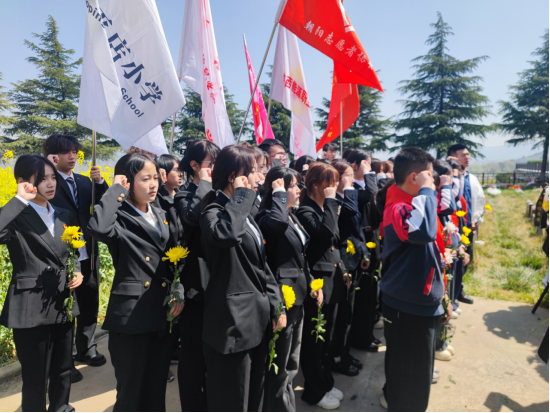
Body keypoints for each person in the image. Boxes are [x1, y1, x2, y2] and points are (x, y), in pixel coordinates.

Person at [88, 153, 184, 412]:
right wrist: (114, 191)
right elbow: (98, 229)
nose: (153, 185)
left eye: (155, 178)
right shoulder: (117, 215)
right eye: (145, 179)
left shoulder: (160, 212)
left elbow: (173, 257)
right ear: (127, 181)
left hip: (162, 312)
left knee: (155, 389)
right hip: (132, 316)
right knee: (131, 393)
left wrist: (178, 289)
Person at [199, 145, 284, 412]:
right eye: (255, 171)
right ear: (233, 176)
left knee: (254, 397)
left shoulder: (245, 212)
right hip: (232, 326)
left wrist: (277, 305)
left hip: (256, 320)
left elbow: (261, 265)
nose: (261, 177)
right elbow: (226, 236)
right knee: (231, 401)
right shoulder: (212, 211)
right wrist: (240, 196)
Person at [0, 155, 84, 412]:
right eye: (42, 179)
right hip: (31, 306)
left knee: (63, 368)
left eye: (52, 178)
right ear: (23, 182)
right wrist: (18, 200)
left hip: (62, 301)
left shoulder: (63, 214)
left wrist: (77, 271)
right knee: (35, 376)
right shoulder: (16, 215)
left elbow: (72, 251)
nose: (51, 184)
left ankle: (61, 407)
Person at [379, 147, 453, 412]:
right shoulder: (397, 208)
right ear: (414, 177)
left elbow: (432, 253)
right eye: (429, 176)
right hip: (406, 307)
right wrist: (427, 190)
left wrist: (443, 297)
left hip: (419, 302)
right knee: (408, 384)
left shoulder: (414, 204)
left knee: (416, 378)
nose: (433, 181)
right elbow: (422, 232)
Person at [256, 167, 324, 412]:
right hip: (282, 301)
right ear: (279, 189)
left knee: (291, 365)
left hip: (299, 297)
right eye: (293, 185)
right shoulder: (268, 217)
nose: (298, 190)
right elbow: (276, 226)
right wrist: (279, 195)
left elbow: (300, 258)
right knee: (279, 368)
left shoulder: (292, 216)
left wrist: (313, 283)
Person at [43, 134, 109, 382]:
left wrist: (100, 183)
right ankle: (65, 360)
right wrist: (46, 170)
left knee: (89, 299)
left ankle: (86, 348)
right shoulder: (46, 182)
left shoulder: (84, 181)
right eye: (65, 152)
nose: (72, 156)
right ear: (52, 156)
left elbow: (103, 204)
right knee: (66, 305)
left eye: (74, 151)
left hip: (87, 251)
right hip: (61, 253)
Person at [296, 162, 348, 410]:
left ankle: (325, 382)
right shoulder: (306, 211)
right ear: (315, 184)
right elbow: (326, 232)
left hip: (332, 278)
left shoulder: (324, 208)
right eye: (330, 181)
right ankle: (314, 391)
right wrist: (330, 202)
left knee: (326, 338)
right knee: (314, 340)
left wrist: (343, 269)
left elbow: (335, 241)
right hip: (317, 282)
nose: (334, 186)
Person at [175, 139, 220, 412]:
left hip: (218, 282)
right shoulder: (183, 194)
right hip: (195, 286)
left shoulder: (217, 191)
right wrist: (204, 182)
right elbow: (192, 217)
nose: (215, 167)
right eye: (211, 163)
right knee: (192, 356)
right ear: (194, 165)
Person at [330, 160, 369, 377]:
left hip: (353, 259)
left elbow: (358, 227)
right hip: (341, 263)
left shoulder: (346, 197)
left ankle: (344, 352)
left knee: (347, 313)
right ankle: (337, 356)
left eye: (353, 175)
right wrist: (347, 189)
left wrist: (364, 252)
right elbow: (350, 212)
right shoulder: (335, 200)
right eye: (348, 175)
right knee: (341, 315)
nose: (352, 180)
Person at [347, 150, 381, 353]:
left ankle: (367, 333)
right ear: (355, 165)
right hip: (360, 248)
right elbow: (372, 195)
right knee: (362, 297)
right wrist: (369, 174)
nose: (369, 168)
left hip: (372, 244)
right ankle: (360, 338)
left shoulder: (362, 187)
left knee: (370, 295)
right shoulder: (351, 189)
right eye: (366, 164)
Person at [447, 143, 486, 305]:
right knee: (451, 259)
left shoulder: (472, 178)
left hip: (467, 226)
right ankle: (448, 295)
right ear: (453, 157)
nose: (467, 157)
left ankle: (458, 289)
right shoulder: (446, 177)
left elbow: (480, 200)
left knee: (465, 258)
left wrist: (476, 218)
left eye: (468, 154)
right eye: (463, 154)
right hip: (450, 226)